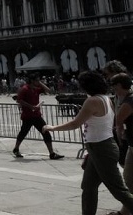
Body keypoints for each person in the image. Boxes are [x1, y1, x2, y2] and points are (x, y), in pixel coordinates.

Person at [44, 71, 133, 215]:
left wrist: (52, 128)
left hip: (101, 148)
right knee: (88, 186)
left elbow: (75, 123)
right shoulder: (106, 99)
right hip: (98, 147)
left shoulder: (92, 101)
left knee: (119, 190)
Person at [12, 72, 64, 160]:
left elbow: (49, 91)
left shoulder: (36, 89)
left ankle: (52, 153)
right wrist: (31, 106)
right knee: (23, 132)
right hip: (28, 116)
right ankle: (16, 148)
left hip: (36, 115)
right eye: (36, 80)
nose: (38, 82)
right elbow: (19, 100)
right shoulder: (24, 89)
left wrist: (40, 83)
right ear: (32, 81)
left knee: (45, 131)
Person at [110, 73, 133, 215]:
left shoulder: (128, 102)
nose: (113, 89)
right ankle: (125, 211)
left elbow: (118, 123)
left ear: (119, 86)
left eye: (114, 86)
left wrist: (120, 140)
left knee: (129, 179)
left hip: (132, 145)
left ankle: (125, 212)